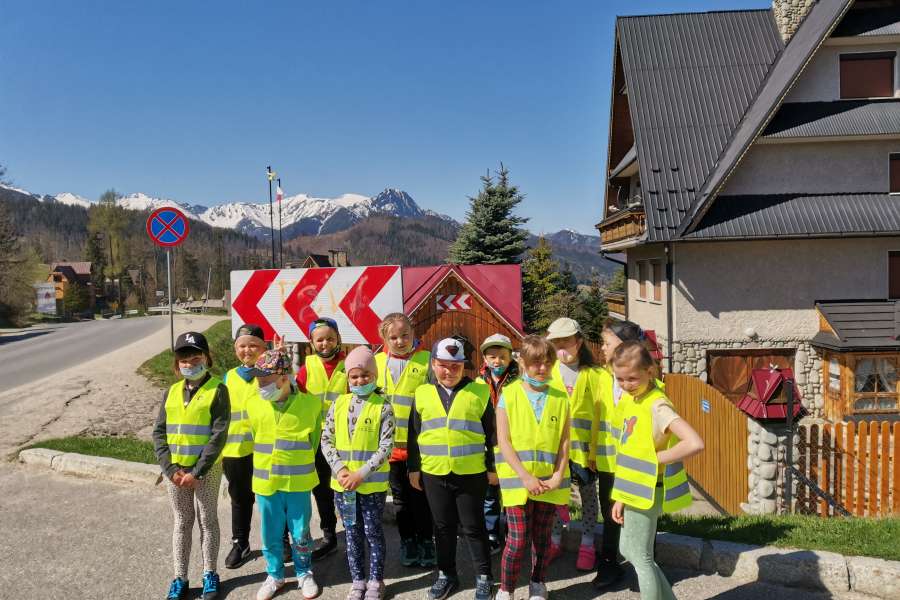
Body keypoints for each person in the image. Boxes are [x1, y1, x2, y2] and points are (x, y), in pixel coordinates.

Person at [609, 341, 704, 600]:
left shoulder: (657, 405)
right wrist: (621, 496)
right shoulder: (632, 400)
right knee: (629, 550)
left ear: (650, 372)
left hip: (648, 490)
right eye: (620, 379)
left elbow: (694, 443)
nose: (626, 384)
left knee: (640, 557)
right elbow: (629, 452)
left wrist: (656, 458)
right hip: (634, 490)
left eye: (632, 378)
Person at [408, 337, 497, 600]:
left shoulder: (479, 392)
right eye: (443, 365)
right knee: (442, 527)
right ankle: (446, 575)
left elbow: (492, 434)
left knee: (474, 527)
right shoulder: (422, 393)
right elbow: (414, 434)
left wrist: (493, 467)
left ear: (464, 367)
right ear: (433, 364)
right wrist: (414, 467)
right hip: (434, 472)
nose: (449, 371)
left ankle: (484, 577)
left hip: (471, 473)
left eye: (455, 366)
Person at [152, 331, 230, 600]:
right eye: (183, 359)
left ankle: (210, 573)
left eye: (195, 357)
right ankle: (180, 577)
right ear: (177, 364)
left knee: (208, 520)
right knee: (182, 522)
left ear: (206, 358)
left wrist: (197, 472)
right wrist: (170, 469)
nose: (189, 363)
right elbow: (159, 433)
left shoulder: (217, 389)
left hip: (205, 472)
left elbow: (218, 435)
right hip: (175, 472)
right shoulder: (171, 392)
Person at [494, 335, 570, 600]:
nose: (542, 368)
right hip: (518, 481)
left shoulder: (560, 397)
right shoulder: (509, 394)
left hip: (549, 481)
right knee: (516, 541)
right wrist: (525, 476)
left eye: (547, 363)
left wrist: (559, 474)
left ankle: (538, 583)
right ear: (523, 363)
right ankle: (506, 589)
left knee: (543, 539)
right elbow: (503, 440)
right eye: (536, 363)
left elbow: (564, 440)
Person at [246, 349, 322, 600]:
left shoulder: (311, 405)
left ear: (284, 377)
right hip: (266, 482)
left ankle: (303, 572)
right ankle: (275, 575)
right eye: (258, 379)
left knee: (300, 533)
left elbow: (314, 442)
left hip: (298, 482)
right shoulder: (254, 405)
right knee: (270, 533)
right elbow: (256, 437)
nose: (261, 385)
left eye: (266, 379)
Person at [320, 346, 395, 600]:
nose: (360, 380)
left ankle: (375, 580)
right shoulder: (339, 403)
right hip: (343, 486)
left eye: (365, 375)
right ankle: (358, 580)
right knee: (352, 534)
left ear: (374, 376)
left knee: (373, 533)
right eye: (354, 376)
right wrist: (341, 469)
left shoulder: (383, 406)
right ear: (348, 379)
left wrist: (360, 473)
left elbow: (386, 446)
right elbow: (326, 439)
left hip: (370, 485)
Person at [544, 318, 606, 572]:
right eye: (556, 344)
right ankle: (555, 541)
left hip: (584, 450)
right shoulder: (547, 372)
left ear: (579, 342)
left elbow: (602, 415)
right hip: (554, 449)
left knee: (588, 496)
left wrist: (595, 451)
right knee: (557, 497)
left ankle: (588, 544)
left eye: (566, 343)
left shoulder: (596, 375)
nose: (561, 349)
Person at [374, 313, 435, 568]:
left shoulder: (426, 360)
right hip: (389, 447)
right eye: (393, 337)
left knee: (421, 497)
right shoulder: (376, 362)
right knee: (400, 500)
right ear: (384, 339)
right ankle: (407, 540)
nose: (400, 341)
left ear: (413, 333)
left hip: (418, 446)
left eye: (405, 335)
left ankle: (426, 540)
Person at [592, 319, 648, 589]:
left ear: (624, 346)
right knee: (610, 514)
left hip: (635, 463)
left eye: (606, 342)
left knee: (637, 516)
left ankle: (643, 566)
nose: (602, 347)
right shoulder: (601, 376)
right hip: (608, 461)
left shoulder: (643, 380)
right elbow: (594, 417)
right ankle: (609, 565)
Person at [296, 318, 347, 561]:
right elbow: (295, 400)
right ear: (311, 343)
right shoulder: (307, 368)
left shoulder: (349, 366)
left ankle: (355, 532)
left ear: (338, 338)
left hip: (345, 441)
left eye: (330, 338)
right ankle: (329, 536)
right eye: (320, 339)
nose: (325, 343)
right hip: (315, 442)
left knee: (346, 489)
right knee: (322, 490)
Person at [221, 324, 266, 570]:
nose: (247, 350)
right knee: (240, 499)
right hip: (235, 451)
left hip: (265, 449)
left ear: (263, 348)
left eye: (253, 345)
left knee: (271, 498)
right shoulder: (228, 377)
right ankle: (241, 542)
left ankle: (281, 541)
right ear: (235, 349)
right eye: (242, 345)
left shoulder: (269, 372)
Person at [476, 333, 518, 554]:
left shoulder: (519, 382)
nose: (497, 361)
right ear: (484, 359)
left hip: (512, 443)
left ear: (510, 357)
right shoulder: (477, 383)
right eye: (491, 356)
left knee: (511, 492)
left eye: (502, 356)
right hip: (487, 444)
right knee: (490, 493)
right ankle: (492, 533)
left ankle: (513, 533)